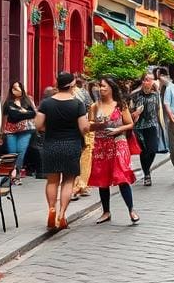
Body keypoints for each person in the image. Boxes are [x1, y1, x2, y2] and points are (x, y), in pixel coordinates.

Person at [35, 72, 89, 231]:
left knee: (52, 181)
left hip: (51, 144)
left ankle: (51, 209)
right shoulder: (77, 104)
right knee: (68, 181)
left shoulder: (46, 103)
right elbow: (83, 128)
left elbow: (38, 125)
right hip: (71, 145)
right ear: (71, 86)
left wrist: (51, 129)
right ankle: (62, 214)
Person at [90, 77, 139, 225]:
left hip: (118, 142)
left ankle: (131, 209)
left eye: (104, 86)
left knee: (121, 175)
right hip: (101, 144)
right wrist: (98, 125)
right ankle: (106, 211)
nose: (101, 89)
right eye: (100, 86)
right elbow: (89, 126)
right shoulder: (94, 106)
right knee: (102, 178)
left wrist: (118, 129)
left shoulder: (120, 105)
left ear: (111, 87)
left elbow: (130, 124)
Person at [130, 73, 165, 186]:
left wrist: (161, 124)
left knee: (153, 149)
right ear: (142, 82)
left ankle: (146, 169)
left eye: (150, 80)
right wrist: (136, 113)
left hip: (152, 125)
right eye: (145, 80)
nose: (147, 82)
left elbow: (158, 109)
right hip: (139, 127)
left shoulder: (156, 95)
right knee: (144, 151)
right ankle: (147, 174)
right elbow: (129, 113)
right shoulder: (135, 95)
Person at [1, 81, 36, 183]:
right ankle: (13, 171)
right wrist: (1, 131)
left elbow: (33, 113)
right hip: (10, 130)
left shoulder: (28, 100)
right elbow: (7, 117)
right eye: (13, 88)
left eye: (17, 88)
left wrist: (20, 111)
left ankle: (16, 173)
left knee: (21, 151)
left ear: (22, 89)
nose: (15, 90)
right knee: (12, 152)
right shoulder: (8, 102)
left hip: (25, 130)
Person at [70, 76, 94, 200]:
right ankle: (77, 186)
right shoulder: (81, 93)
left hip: (81, 128)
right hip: (77, 129)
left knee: (84, 157)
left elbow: (90, 108)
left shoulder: (82, 93)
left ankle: (80, 185)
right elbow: (90, 107)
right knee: (82, 158)